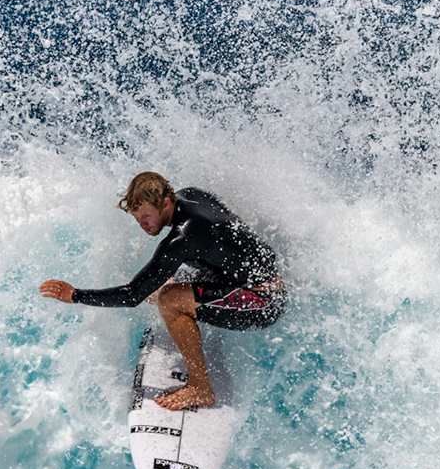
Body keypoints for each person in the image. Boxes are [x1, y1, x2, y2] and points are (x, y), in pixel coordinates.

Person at [38, 172, 284, 411]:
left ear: (165, 202)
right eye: (137, 218)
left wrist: (75, 295)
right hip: (241, 277)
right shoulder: (190, 195)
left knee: (168, 299)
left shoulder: (184, 236)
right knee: (159, 286)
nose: (142, 224)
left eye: (146, 216)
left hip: (263, 302)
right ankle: (189, 319)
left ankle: (200, 388)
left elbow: (131, 296)